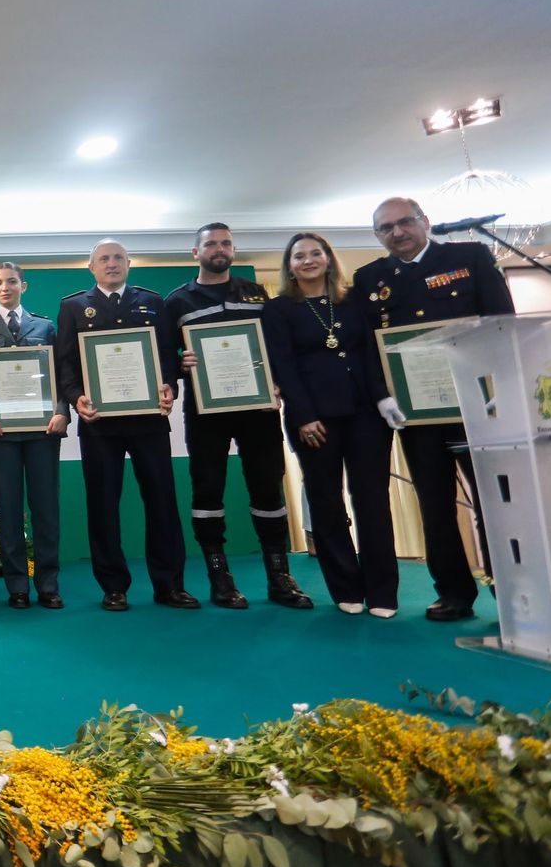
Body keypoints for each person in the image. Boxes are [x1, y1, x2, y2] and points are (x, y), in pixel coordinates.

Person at [352, 197, 516, 622]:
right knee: (435, 505)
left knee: (496, 503)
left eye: (404, 222)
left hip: (479, 406)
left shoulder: (469, 257)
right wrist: (381, 396)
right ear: (377, 236)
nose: (397, 233)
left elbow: (503, 323)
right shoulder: (369, 278)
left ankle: (515, 589)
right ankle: (454, 594)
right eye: (386, 228)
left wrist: (502, 386)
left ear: (424, 222)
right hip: (416, 415)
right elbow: (368, 347)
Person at [163, 223, 312, 609]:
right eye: (211, 243)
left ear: (233, 249)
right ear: (195, 253)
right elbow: (165, 359)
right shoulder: (178, 301)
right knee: (207, 490)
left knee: (267, 487)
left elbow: (275, 346)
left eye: (226, 243)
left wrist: (276, 382)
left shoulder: (256, 293)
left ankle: (280, 577)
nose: (219, 248)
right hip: (205, 411)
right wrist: (182, 364)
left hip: (258, 409)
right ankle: (220, 577)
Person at [264, 233, 404, 617]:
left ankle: (383, 592)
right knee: (326, 504)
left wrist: (383, 397)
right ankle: (346, 588)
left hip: (366, 414)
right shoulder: (278, 310)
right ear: (289, 266)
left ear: (328, 258)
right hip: (313, 419)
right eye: (299, 256)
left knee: (373, 501)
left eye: (316, 253)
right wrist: (305, 415)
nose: (308, 260)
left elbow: (372, 350)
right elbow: (284, 365)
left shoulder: (356, 300)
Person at [55, 239, 197, 611]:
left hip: (149, 420)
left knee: (162, 502)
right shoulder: (73, 307)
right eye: (104, 258)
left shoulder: (152, 301)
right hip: (99, 422)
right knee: (103, 505)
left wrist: (170, 385)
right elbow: (66, 363)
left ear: (129, 263)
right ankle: (113, 586)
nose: (112, 263)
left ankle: (170, 585)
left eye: (118, 257)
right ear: (91, 267)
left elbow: (168, 353)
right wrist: (75, 398)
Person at [0, 262, 69, 610]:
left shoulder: (45, 325)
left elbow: (58, 373)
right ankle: (17, 587)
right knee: (8, 511)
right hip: (1, 432)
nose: (4, 287)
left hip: (43, 431)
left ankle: (48, 584)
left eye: (11, 281)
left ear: (24, 285)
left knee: (46, 510)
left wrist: (61, 411)